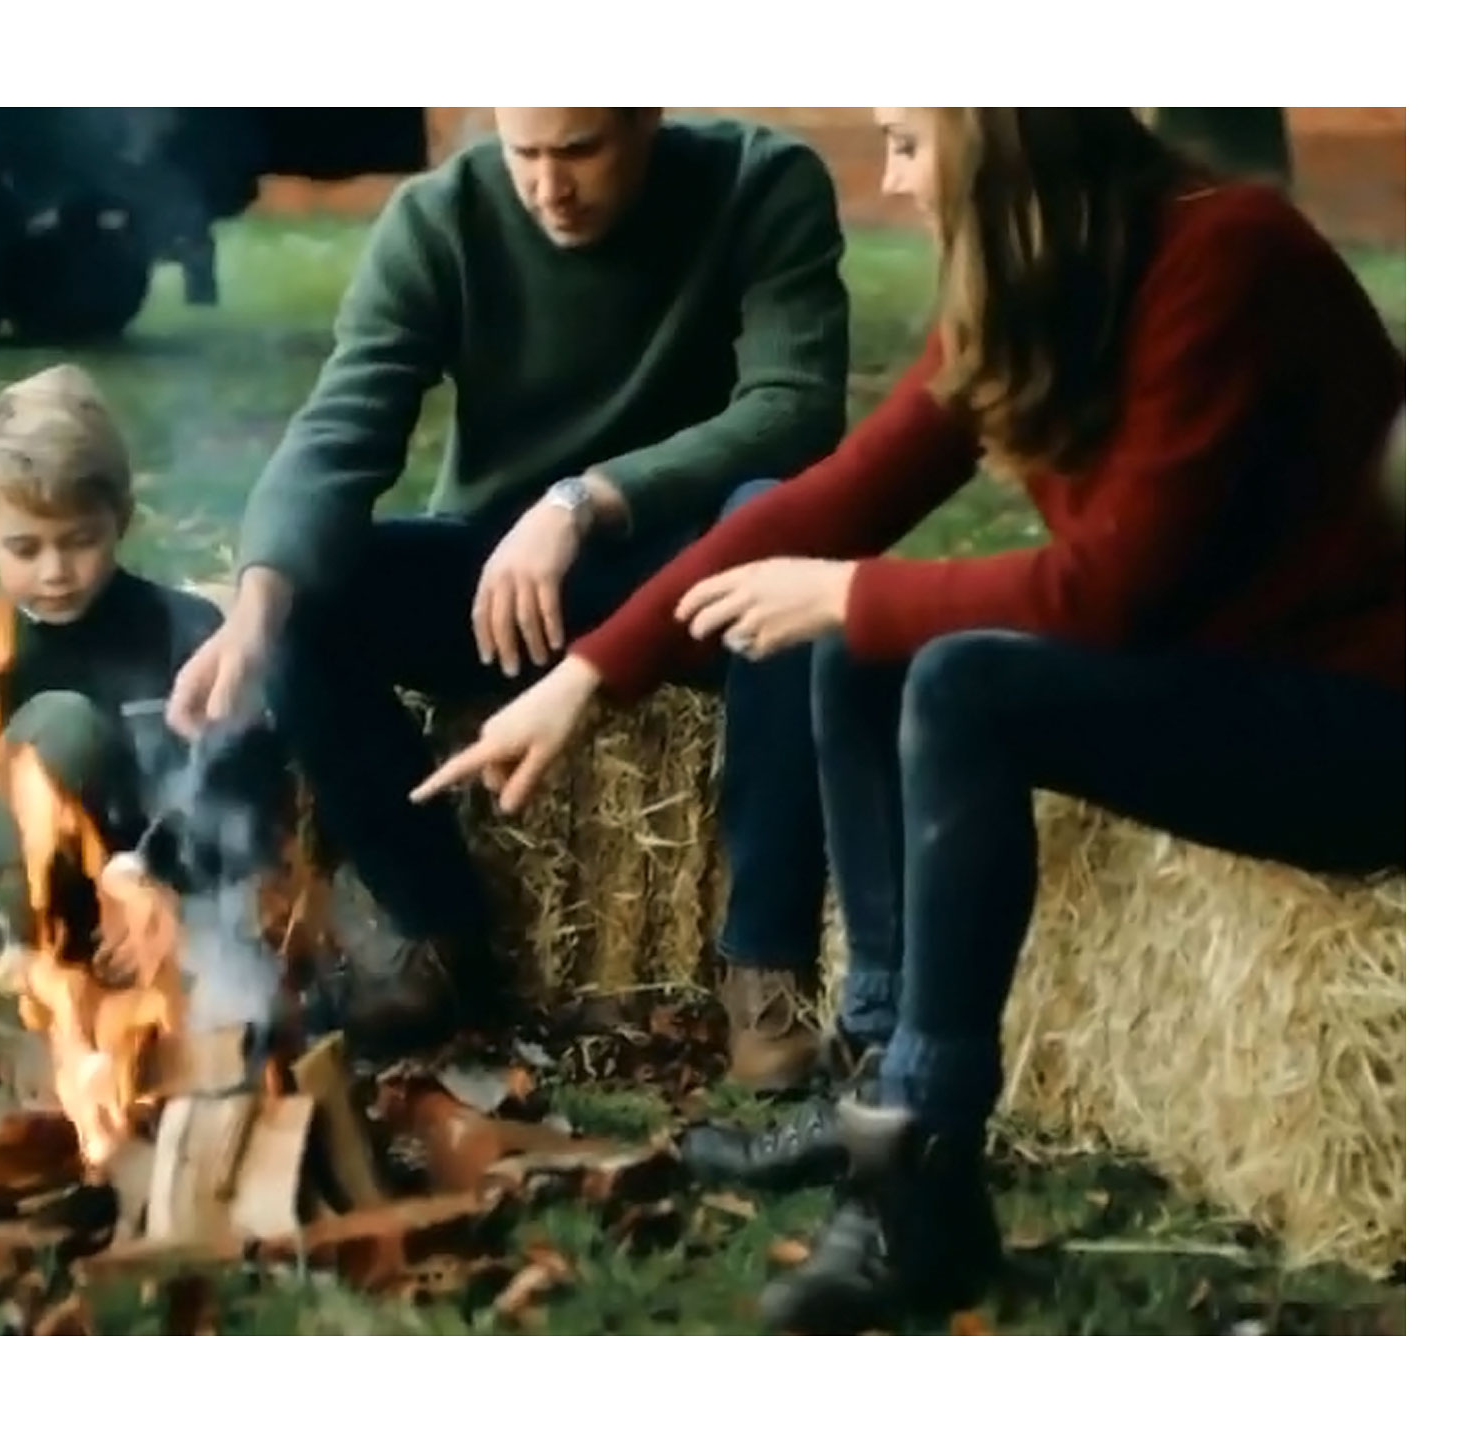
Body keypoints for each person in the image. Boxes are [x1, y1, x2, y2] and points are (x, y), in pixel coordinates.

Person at [412, 107, 1406, 1333]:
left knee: (949, 673)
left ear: (998, 136)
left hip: (1361, 725)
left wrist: (849, 590)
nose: (887, 181)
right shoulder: (1044, 274)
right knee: (862, 638)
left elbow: (1111, 589)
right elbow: (835, 497)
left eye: (903, 139)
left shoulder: (1225, 258)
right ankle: (871, 1082)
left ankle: (921, 1185)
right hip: (1209, 678)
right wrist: (582, 677)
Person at [166, 108, 853, 1072]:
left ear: (647, 117)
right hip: (501, 582)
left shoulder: (762, 182)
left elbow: (794, 406)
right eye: (524, 152)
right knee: (311, 600)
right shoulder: (439, 216)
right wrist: (257, 602)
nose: (547, 186)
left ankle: (766, 974)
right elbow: (343, 425)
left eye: (579, 151)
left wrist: (584, 500)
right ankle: (433, 932)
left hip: (693, 563)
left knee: (783, 530)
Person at [0, 364, 289, 1100]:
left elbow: (241, 775)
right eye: (25, 548)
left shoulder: (184, 633)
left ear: (122, 517)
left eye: (79, 541)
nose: (55, 571)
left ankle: (178, 1048)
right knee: (62, 723)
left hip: (162, 897)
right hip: (22, 908)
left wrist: (165, 884)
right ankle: (25, 1029)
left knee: (230, 1021)